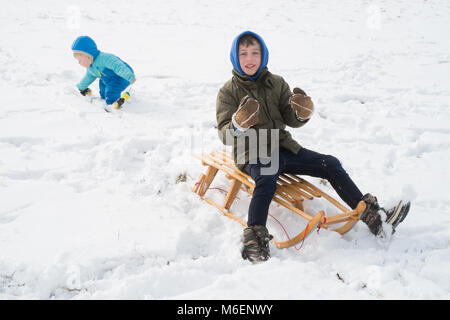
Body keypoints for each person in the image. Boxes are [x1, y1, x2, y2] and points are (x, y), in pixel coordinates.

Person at [216, 30, 404, 263]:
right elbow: (224, 134)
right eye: (243, 53)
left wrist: (301, 112)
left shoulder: (277, 83)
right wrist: (237, 124)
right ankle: (254, 236)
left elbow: (291, 119)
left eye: (255, 52)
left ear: (263, 55)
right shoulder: (228, 91)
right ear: (235, 58)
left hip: (283, 147)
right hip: (252, 151)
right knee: (266, 177)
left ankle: (371, 215)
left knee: (330, 163)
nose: (249, 58)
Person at [71, 36, 136, 110]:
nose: (79, 63)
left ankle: (112, 105)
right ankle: (105, 99)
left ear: (88, 56)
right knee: (103, 89)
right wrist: (81, 87)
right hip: (108, 78)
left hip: (122, 76)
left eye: (80, 60)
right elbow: (88, 78)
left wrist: (129, 76)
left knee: (111, 91)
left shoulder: (104, 58)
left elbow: (117, 65)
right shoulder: (90, 68)